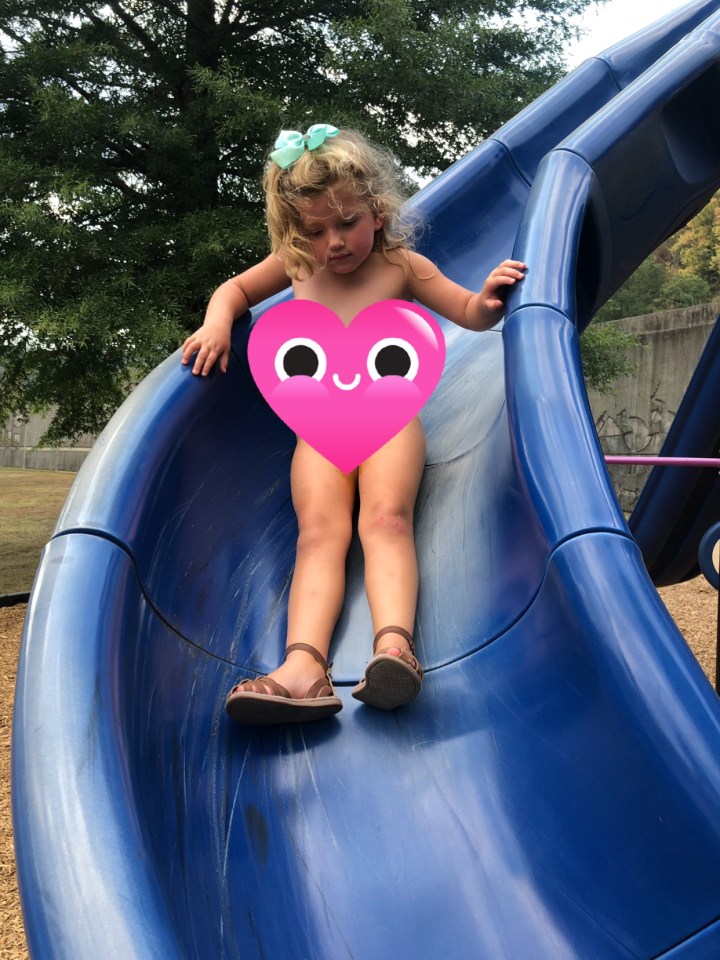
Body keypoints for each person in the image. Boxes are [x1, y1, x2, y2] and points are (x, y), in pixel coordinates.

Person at [181, 124, 525, 725]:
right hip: (319, 427)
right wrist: (217, 323)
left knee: (386, 520)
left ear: (377, 209)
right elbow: (234, 288)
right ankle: (304, 668)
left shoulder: (401, 265)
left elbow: (465, 311)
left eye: (346, 223)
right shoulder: (295, 268)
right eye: (315, 230)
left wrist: (489, 298)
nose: (333, 242)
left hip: (390, 418)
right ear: (295, 232)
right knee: (318, 534)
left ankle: (394, 649)